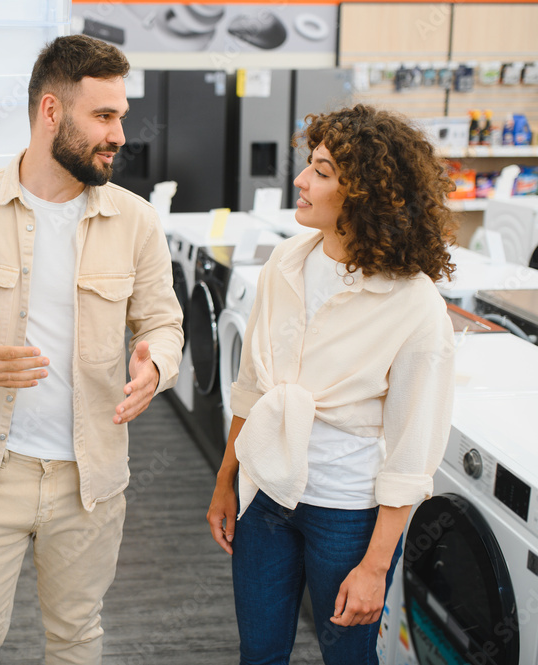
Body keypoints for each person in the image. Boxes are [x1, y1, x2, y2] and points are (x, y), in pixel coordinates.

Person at [0, 34, 183, 665]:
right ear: (51, 112)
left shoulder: (135, 221)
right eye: (103, 116)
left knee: (77, 640)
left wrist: (155, 363)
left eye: (121, 117)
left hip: (91, 481)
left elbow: (165, 323)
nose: (118, 134)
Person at [206, 104, 456, 664]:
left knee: (347, 658)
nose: (300, 180)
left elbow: (413, 456)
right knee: (260, 653)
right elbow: (252, 385)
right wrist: (227, 479)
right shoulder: (286, 262)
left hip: (346, 514)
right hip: (265, 494)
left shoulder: (414, 305)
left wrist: (374, 567)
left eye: (320, 171)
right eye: (308, 165)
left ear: (363, 194)